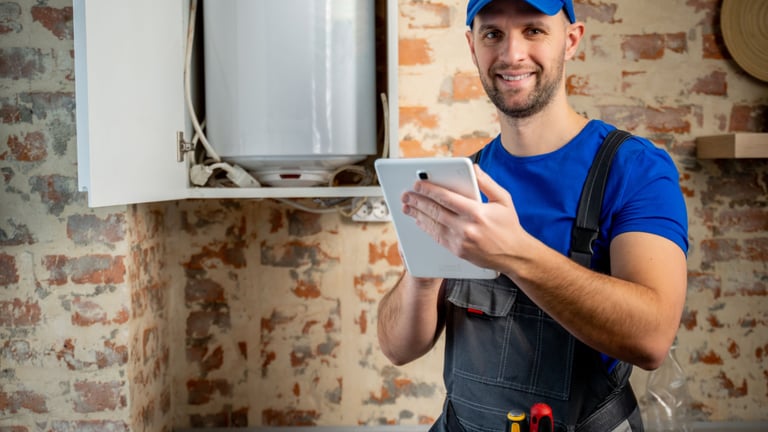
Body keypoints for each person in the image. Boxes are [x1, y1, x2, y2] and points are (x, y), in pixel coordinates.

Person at [376, 0, 689, 431]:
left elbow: (652, 338)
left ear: (571, 40)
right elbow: (396, 348)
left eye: (534, 31)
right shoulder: (464, 181)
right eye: (493, 34)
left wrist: (514, 252)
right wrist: (424, 272)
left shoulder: (634, 169)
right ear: (472, 46)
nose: (511, 54)